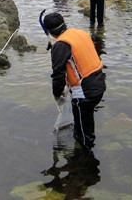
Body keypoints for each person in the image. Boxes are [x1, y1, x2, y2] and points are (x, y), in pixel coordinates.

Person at [43, 12, 106, 150]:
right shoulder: (80, 33)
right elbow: (78, 62)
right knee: (84, 123)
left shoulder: (60, 45)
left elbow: (58, 75)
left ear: (49, 32)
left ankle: (84, 162)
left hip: (85, 93)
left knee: (84, 135)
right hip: (99, 82)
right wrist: (67, 85)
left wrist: (57, 94)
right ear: (64, 24)